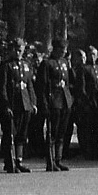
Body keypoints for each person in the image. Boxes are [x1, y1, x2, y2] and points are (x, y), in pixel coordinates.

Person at [0, 39, 39, 174]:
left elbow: (29, 85)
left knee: (21, 135)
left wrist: (33, 103)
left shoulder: (26, 65)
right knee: (10, 134)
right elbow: (1, 88)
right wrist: (5, 105)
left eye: (20, 50)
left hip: (25, 104)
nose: (18, 52)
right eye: (15, 50)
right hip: (12, 105)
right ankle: (9, 162)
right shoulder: (5, 66)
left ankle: (19, 161)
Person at [35, 41, 74, 171]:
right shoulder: (47, 63)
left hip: (64, 100)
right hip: (54, 101)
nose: (63, 51)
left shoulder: (64, 63)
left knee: (61, 133)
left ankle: (58, 159)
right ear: (55, 49)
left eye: (65, 49)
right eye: (61, 48)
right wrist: (44, 104)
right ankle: (50, 161)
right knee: (53, 132)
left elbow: (68, 83)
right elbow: (42, 86)